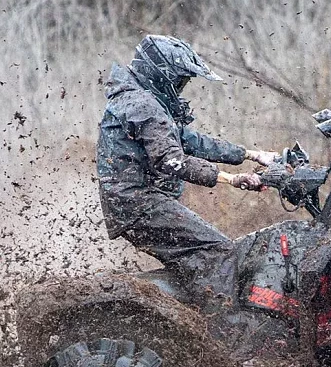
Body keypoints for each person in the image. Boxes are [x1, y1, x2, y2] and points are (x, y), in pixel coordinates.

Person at [96, 34, 278, 306]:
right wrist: (232, 179)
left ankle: (189, 315)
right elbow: (171, 160)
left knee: (197, 258)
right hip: (139, 203)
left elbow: (188, 140)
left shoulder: (136, 99)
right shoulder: (143, 105)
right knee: (220, 252)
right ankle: (226, 325)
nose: (181, 89)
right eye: (179, 81)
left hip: (132, 203)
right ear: (161, 75)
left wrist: (251, 154)